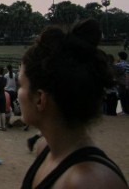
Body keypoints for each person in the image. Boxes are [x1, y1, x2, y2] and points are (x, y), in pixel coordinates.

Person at [20, 19, 127, 188]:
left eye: (21, 85)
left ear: (40, 99)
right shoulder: (46, 149)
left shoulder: (89, 181)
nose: (19, 94)